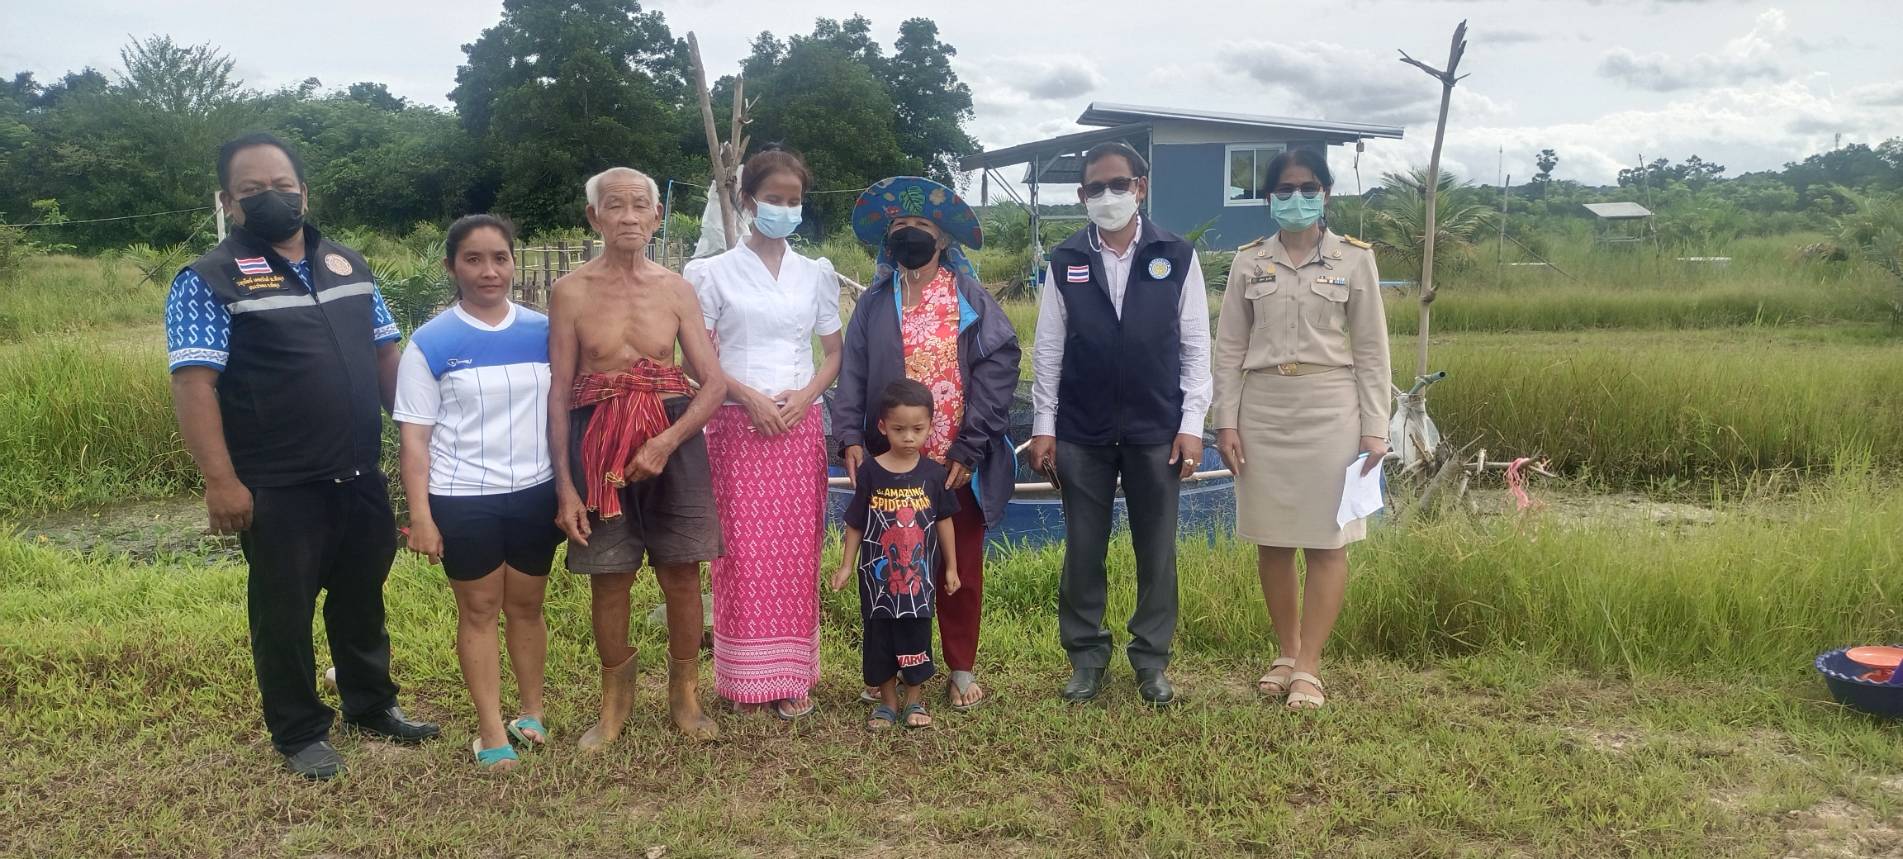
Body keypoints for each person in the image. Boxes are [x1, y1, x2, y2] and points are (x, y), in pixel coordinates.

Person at [165, 132, 439, 780]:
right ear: (229, 202)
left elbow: (384, 356)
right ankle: (298, 731)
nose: (271, 198)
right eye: (252, 191)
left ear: (304, 192)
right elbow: (193, 383)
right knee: (283, 613)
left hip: (357, 472)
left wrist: (416, 437)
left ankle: (372, 704)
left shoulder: (347, 264)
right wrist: (221, 481)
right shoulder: (207, 279)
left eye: (282, 186)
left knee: (361, 596)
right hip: (276, 484)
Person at [1025, 141, 1212, 707]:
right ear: (1082, 196)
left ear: (1141, 186)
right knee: (1084, 550)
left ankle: (1152, 662)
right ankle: (1086, 658)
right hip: (1082, 431)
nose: (1108, 196)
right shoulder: (1065, 259)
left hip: (1158, 429)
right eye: (1095, 188)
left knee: (1157, 551)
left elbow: (1195, 345)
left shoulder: (1176, 255)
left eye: (1119, 184)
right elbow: (1050, 347)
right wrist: (1044, 424)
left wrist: (1193, 422)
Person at [549, 166, 729, 748]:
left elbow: (713, 383)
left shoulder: (676, 289)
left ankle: (685, 695)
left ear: (656, 217)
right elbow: (559, 391)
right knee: (610, 574)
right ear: (593, 217)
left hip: (670, 439)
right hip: (596, 443)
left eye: (638, 207)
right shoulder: (569, 291)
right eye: (615, 206)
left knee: (681, 572)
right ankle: (614, 704)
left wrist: (665, 442)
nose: (627, 217)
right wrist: (567, 489)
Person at [1211, 148, 1391, 711]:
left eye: (1307, 187)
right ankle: (1285, 652)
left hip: (1330, 409)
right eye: (1285, 189)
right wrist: (1226, 420)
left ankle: (1310, 665)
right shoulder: (1248, 262)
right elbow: (1230, 348)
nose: (1296, 198)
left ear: (1326, 193)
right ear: (1270, 197)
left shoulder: (1354, 260)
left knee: (1326, 540)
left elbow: (1371, 349)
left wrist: (1376, 429)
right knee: (1271, 538)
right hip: (1263, 408)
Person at [834, 176, 1020, 712]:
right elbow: (852, 373)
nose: (908, 235)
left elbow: (1000, 363)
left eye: (919, 227)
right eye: (899, 228)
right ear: (886, 241)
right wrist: (848, 436)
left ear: (942, 240)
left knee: (957, 565)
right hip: (892, 466)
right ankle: (891, 671)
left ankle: (960, 668)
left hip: (954, 464)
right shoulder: (873, 303)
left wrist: (970, 447)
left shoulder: (967, 297)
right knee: (890, 566)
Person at [393, 215, 563, 770]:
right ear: (451, 267)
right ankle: (492, 731)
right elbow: (414, 440)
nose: (489, 271)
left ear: (514, 262)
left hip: (536, 492)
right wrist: (421, 516)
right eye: (473, 259)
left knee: (528, 605)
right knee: (481, 608)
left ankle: (531, 713)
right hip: (464, 498)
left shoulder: (544, 330)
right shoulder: (431, 342)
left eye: (500, 258)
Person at [684, 147, 842, 720]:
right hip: (734, 425)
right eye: (774, 199)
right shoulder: (710, 273)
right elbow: (696, 359)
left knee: (796, 551)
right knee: (743, 554)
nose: (784, 209)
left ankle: (793, 676)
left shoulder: (815, 273)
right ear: (748, 200)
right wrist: (746, 395)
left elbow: (831, 355)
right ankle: (744, 678)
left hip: (798, 428)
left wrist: (804, 396)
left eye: (794, 201)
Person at [830, 379, 962, 729]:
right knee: (880, 639)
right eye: (899, 429)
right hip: (878, 583)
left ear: (931, 427)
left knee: (916, 636)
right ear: (882, 426)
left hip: (919, 582)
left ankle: (914, 703)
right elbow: (856, 522)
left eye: (917, 429)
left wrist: (951, 567)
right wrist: (846, 566)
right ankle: (887, 703)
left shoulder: (934, 475)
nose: (908, 437)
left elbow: (944, 522)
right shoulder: (871, 471)